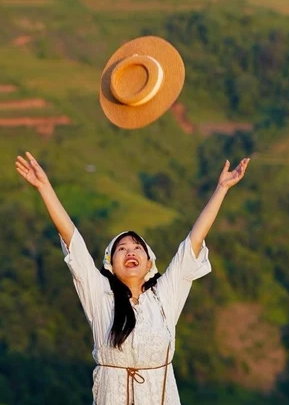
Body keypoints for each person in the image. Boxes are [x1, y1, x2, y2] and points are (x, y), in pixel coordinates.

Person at [15, 151, 250, 405]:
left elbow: (193, 241)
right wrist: (45, 188)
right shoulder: (100, 295)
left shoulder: (164, 296)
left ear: (149, 262)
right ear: (110, 265)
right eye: (122, 249)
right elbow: (73, 241)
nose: (131, 252)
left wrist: (221, 189)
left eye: (138, 247)